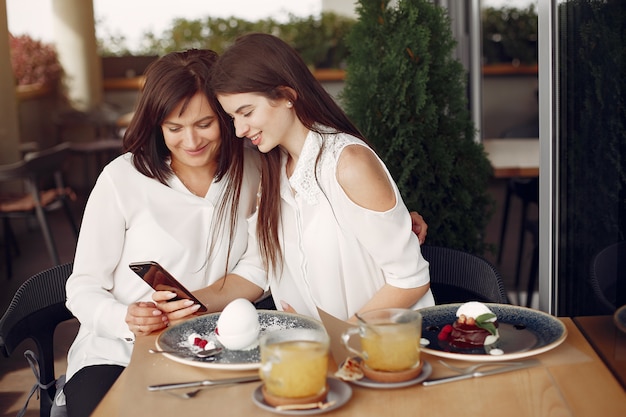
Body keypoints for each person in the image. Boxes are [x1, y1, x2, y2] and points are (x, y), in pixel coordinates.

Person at [61, 49, 266, 417]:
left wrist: (191, 305)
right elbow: (82, 286)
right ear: (157, 124)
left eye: (205, 124)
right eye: (174, 128)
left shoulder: (254, 171)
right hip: (116, 354)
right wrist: (126, 317)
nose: (190, 141)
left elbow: (257, 268)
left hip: (214, 347)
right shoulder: (122, 179)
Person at [209, 33, 435, 322]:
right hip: (321, 354)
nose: (239, 129)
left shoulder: (348, 163)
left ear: (287, 96)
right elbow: (260, 269)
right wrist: (185, 304)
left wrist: (335, 341)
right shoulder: (274, 171)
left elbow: (410, 279)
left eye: (247, 112)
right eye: (233, 118)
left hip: (384, 351)